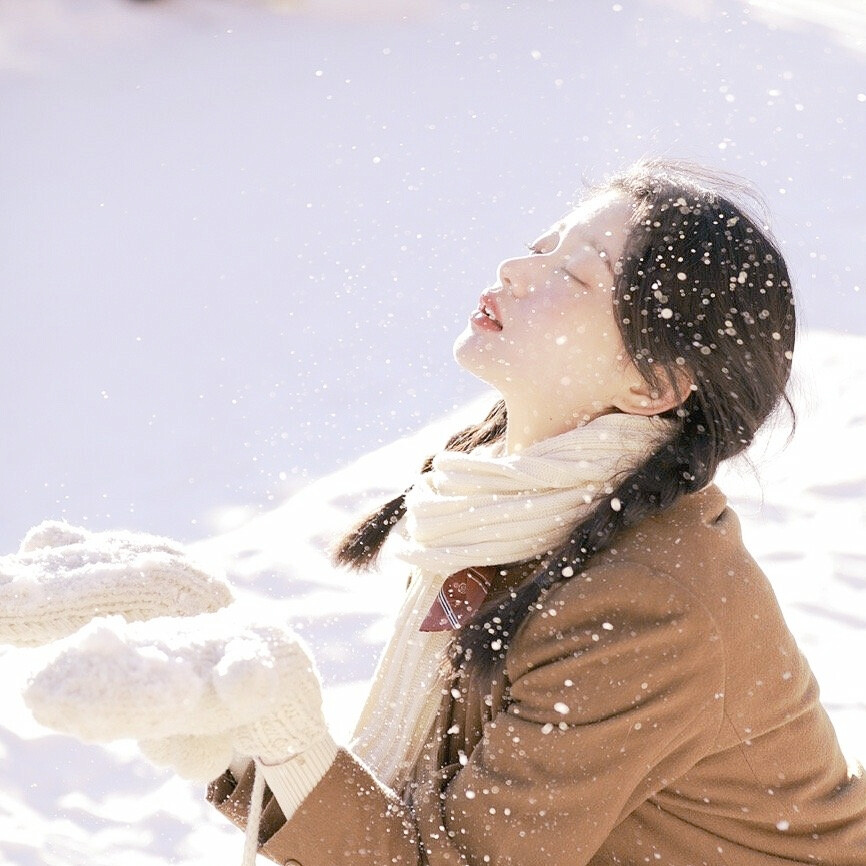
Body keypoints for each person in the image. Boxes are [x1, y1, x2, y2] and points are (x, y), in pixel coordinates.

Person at [12, 158, 866, 865]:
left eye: (573, 273)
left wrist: (274, 719)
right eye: (542, 245)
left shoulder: (647, 606)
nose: (516, 269)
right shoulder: (503, 509)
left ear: (651, 386)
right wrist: (206, 657)